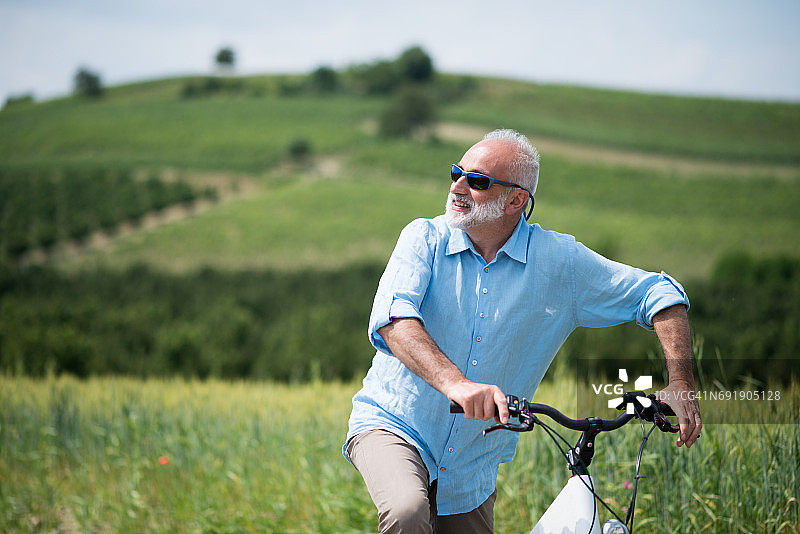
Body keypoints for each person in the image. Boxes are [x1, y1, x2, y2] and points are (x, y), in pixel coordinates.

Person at [343, 128, 702, 533]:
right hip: (395, 425)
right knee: (408, 512)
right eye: (456, 172)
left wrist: (680, 381)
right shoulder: (423, 237)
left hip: (471, 467)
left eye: (477, 181)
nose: (458, 186)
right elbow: (394, 320)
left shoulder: (559, 262)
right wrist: (456, 384)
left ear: (516, 200)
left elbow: (660, 292)